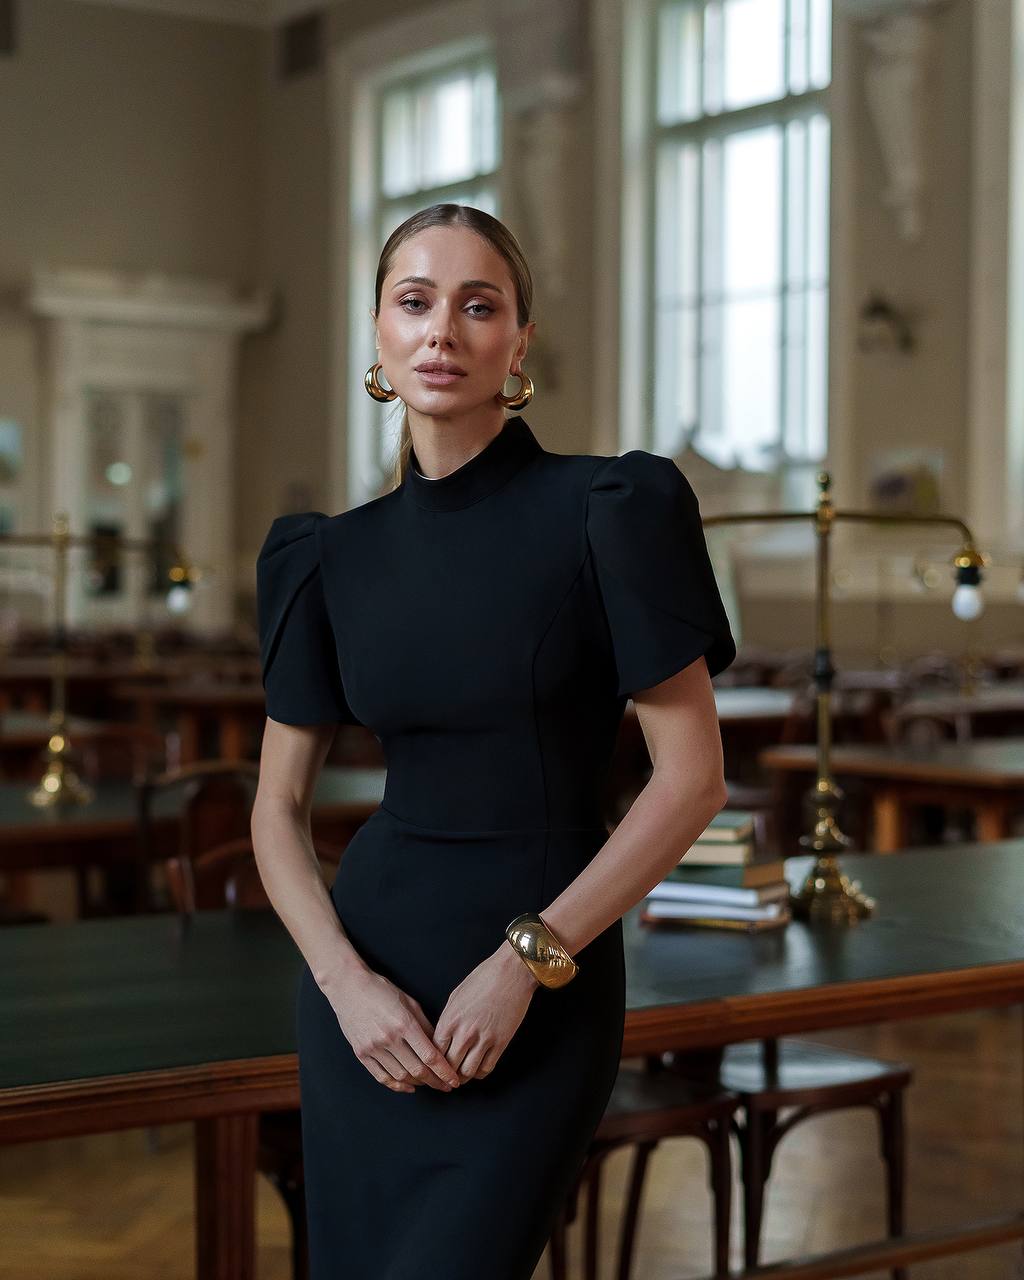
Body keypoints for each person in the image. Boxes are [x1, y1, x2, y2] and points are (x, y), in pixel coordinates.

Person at [251, 202, 736, 1280]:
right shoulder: (324, 557)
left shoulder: (610, 506)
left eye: (479, 305)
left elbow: (692, 780)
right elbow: (275, 811)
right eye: (413, 302)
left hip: (539, 982)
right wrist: (345, 984)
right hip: (365, 987)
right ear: (377, 331)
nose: (442, 331)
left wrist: (528, 960)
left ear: (518, 342)